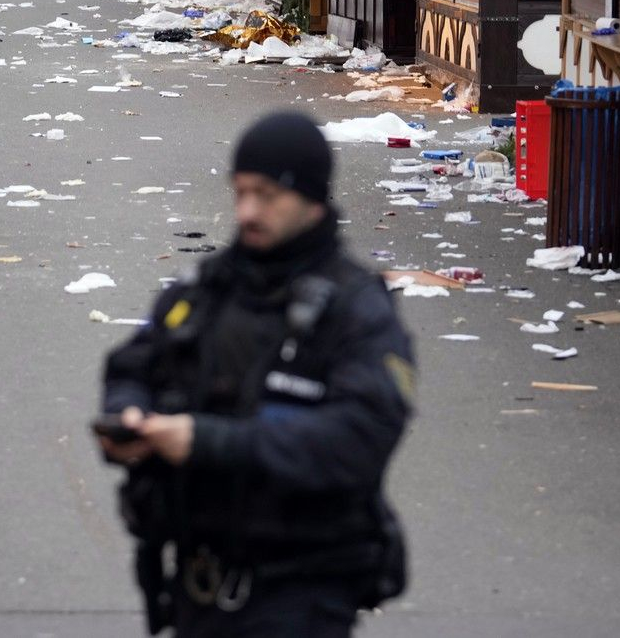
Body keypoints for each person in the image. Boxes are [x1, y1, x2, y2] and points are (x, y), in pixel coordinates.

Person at [97, 111, 414, 636]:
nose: (248, 211)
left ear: (312, 199)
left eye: (267, 195)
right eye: (240, 192)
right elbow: (133, 364)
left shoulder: (356, 311)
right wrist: (127, 417)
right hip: (195, 584)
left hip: (301, 591)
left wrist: (206, 442)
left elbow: (358, 439)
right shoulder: (204, 290)